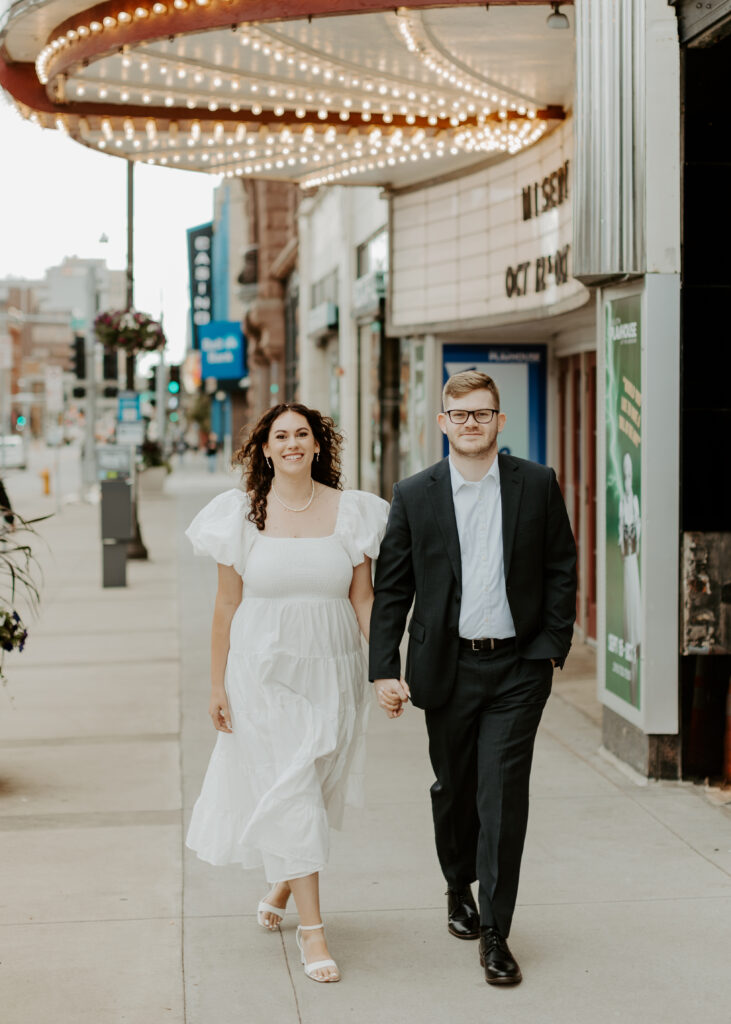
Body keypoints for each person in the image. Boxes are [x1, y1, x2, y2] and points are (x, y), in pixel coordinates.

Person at [369, 370, 576, 987]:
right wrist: (385, 668)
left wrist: (550, 647)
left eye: (482, 414)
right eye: (460, 415)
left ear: (499, 422)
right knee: (455, 790)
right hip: (448, 668)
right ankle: (456, 884)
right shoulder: (415, 494)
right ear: (442, 423)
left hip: (517, 668)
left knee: (502, 797)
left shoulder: (536, 484)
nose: (471, 425)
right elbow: (393, 590)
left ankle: (495, 932)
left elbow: (561, 565)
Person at [185, 403, 389, 984]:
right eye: (281, 436)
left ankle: (282, 882)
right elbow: (226, 604)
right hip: (261, 671)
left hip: (333, 668)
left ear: (318, 446)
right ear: (266, 450)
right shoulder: (241, 515)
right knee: (293, 786)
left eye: (303, 434)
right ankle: (313, 932)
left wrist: (383, 670)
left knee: (315, 784)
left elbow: (363, 600)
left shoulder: (353, 513)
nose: (293, 443)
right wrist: (215, 683)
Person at [618, 451, 641, 704]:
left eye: (628, 474)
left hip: (632, 563)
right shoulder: (624, 503)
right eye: (624, 474)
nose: (626, 479)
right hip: (626, 562)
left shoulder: (633, 501)